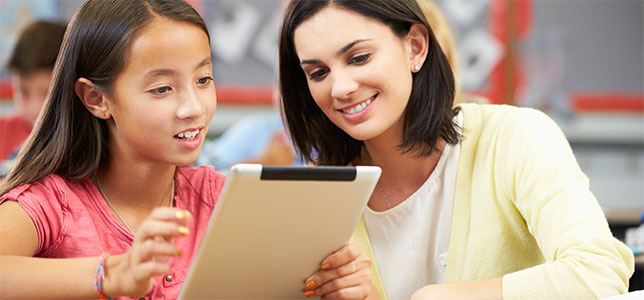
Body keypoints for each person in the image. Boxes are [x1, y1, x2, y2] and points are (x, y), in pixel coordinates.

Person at [0, 0, 368, 299]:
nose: (193, 107)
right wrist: (113, 273)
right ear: (97, 99)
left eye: (203, 80)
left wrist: (331, 285)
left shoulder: (222, 200)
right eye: (162, 89)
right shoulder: (51, 202)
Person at [278, 1, 634, 299]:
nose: (340, 87)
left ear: (415, 47)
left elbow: (599, 275)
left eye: (359, 57)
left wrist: (436, 296)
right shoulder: (322, 192)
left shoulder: (513, 137)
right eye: (318, 72)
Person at [0, 20, 66, 163]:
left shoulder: (79, 144)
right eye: (23, 92)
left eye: (47, 93)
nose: (34, 107)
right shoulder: (2, 131)